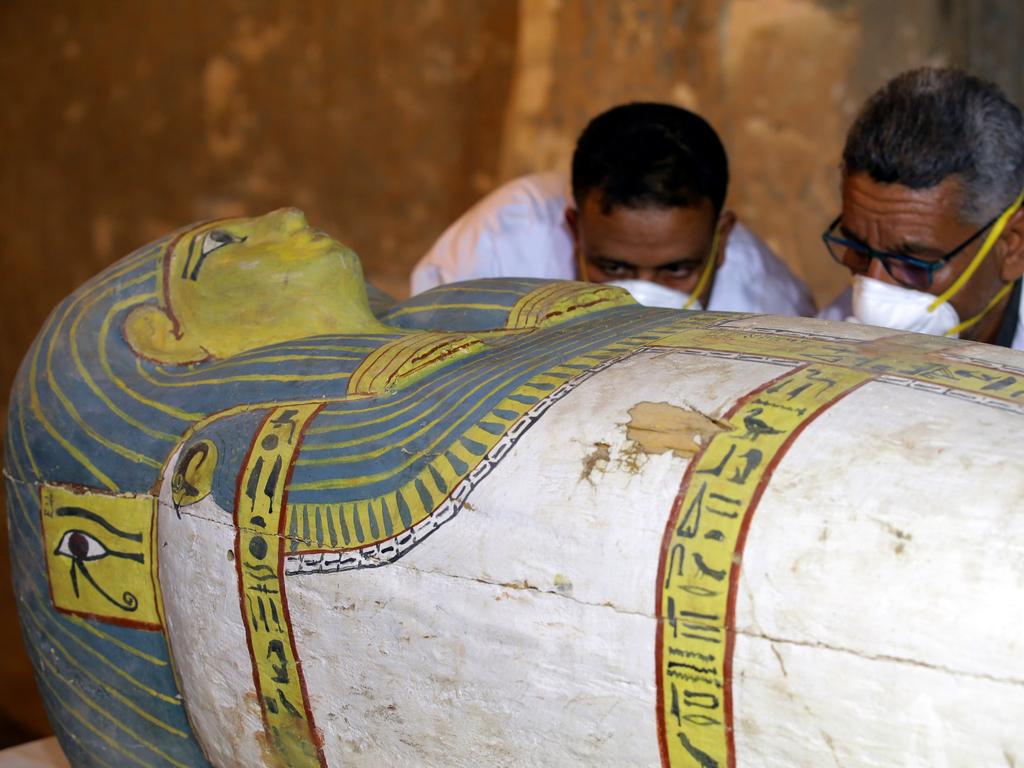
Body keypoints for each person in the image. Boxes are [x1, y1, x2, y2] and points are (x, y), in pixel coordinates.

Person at [411, 103, 816, 316]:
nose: (640, 296)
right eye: (614, 268)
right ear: (574, 229)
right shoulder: (496, 247)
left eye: (675, 270)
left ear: (721, 239)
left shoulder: (770, 308)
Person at [819, 67, 1024, 349]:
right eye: (859, 252)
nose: (872, 292)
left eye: (913, 264)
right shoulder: (832, 325)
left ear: (1013, 247)